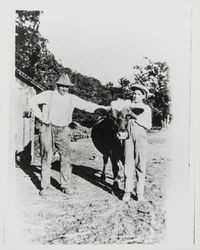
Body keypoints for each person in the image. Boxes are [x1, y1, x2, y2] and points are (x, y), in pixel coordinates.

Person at [29, 74, 108, 196]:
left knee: (66, 158)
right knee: (46, 157)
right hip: (47, 128)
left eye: (66, 87)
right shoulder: (48, 95)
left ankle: (65, 185)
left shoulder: (71, 98)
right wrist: (42, 117)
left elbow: (87, 105)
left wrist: (105, 108)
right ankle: (45, 186)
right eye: (62, 86)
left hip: (63, 130)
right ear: (57, 85)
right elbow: (32, 101)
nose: (64, 89)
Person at [122, 83, 152, 202]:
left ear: (143, 96)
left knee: (140, 163)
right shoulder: (127, 105)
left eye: (139, 94)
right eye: (134, 93)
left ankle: (139, 193)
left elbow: (149, 125)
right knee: (127, 163)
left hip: (140, 136)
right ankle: (127, 191)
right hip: (128, 136)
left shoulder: (146, 108)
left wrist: (135, 117)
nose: (135, 96)